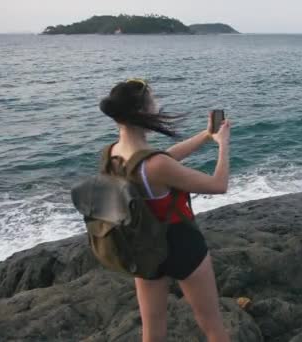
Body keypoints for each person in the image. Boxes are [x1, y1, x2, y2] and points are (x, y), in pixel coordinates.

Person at [99, 79, 231, 342]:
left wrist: (206, 136)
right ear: (144, 112)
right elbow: (219, 184)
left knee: (153, 329)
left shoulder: (111, 155)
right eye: (154, 100)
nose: (158, 104)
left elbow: (160, 160)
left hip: (143, 249)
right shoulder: (156, 165)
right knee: (212, 325)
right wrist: (223, 145)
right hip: (182, 246)